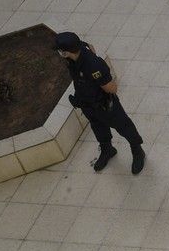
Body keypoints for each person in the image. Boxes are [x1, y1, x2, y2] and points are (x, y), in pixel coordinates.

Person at [54, 31, 145, 174]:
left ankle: (137, 150)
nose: (59, 53)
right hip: (88, 104)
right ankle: (107, 149)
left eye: (60, 51)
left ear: (66, 52)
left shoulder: (93, 65)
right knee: (98, 128)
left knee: (124, 126)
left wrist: (97, 83)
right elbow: (89, 46)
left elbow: (112, 88)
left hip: (105, 105)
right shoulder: (74, 55)